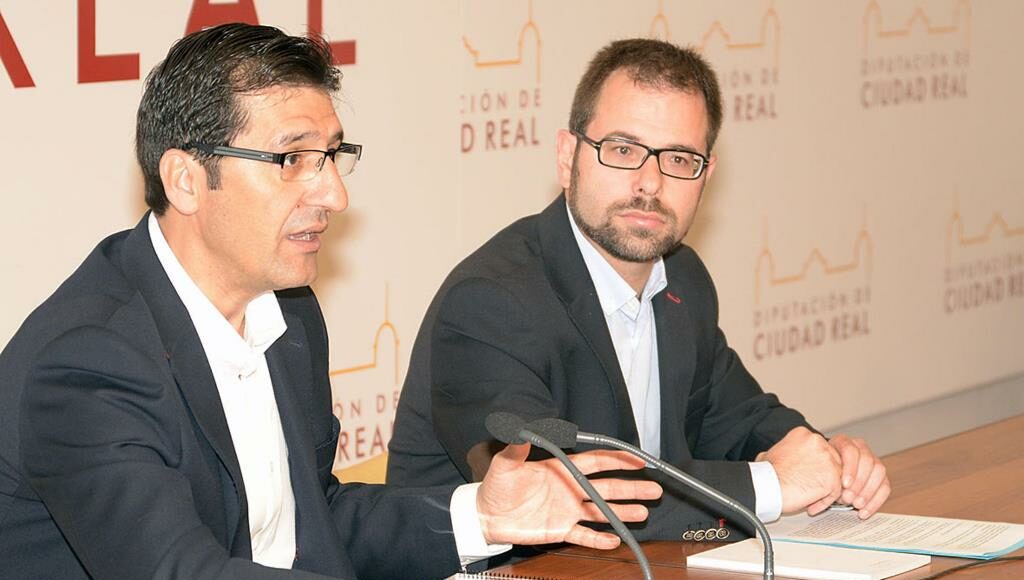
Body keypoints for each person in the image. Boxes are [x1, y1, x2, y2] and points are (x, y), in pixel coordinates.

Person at [0, 24, 663, 580]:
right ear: (186, 179)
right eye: (291, 160)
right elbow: (180, 572)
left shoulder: (288, 314)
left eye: (333, 156)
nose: (334, 196)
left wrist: (483, 517)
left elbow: (312, 523)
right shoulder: (88, 361)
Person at [387, 38, 890, 541]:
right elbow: (559, 496)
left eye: (679, 159)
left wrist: (825, 458)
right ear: (567, 157)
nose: (650, 183)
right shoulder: (491, 302)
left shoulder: (682, 278)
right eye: (623, 150)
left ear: (706, 175)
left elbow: (738, 417)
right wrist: (774, 484)